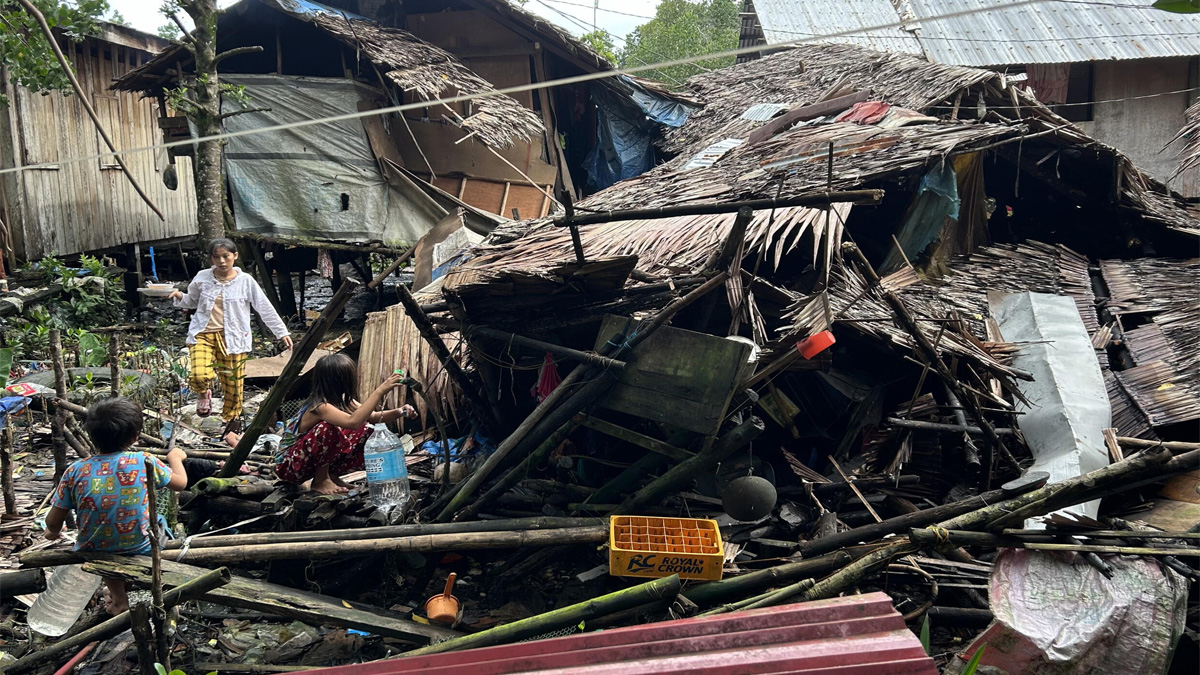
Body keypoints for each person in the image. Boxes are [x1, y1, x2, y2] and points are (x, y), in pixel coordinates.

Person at [44, 398, 188, 615]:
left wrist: (52, 532)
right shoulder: (143, 460)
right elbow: (180, 483)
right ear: (134, 437)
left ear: (91, 436)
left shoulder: (75, 471)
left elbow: (54, 520)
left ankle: (118, 594)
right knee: (156, 523)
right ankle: (121, 598)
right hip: (140, 545)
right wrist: (175, 457)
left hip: (93, 548)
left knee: (103, 539)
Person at [169, 238, 293, 432]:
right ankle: (203, 393)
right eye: (216, 257)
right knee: (199, 374)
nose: (222, 261)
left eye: (226, 256)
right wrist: (179, 297)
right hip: (203, 333)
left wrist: (281, 332)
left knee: (233, 386)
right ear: (211, 259)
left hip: (233, 337)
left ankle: (231, 424)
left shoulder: (245, 281)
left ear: (235, 256)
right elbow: (192, 301)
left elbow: (264, 307)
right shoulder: (202, 277)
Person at [276, 354, 417, 495]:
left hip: (305, 463)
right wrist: (380, 390)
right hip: (289, 467)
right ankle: (320, 480)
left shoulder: (343, 401)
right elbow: (353, 422)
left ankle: (331, 475)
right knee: (327, 429)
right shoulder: (320, 407)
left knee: (366, 429)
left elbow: (372, 417)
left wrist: (399, 411)